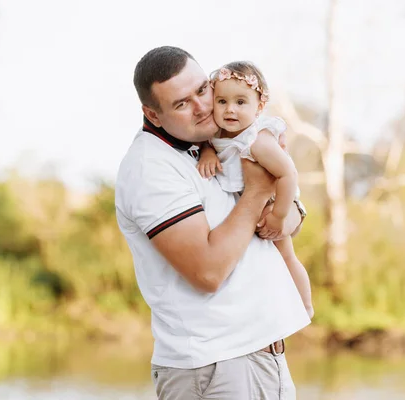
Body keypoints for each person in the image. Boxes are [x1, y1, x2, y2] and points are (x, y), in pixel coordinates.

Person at [115, 46, 310, 399]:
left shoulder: (220, 140)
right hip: (217, 369)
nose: (204, 106)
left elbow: (286, 220)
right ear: (152, 114)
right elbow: (208, 272)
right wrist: (258, 192)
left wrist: (285, 208)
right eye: (181, 103)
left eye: (203, 89)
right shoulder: (152, 168)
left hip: (256, 361)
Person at [196, 61, 313, 318]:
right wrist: (206, 152)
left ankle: (305, 307)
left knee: (286, 256)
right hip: (247, 203)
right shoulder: (218, 134)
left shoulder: (257, 139)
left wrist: (279, 215)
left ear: (259, 107)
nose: (230, 110)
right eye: (222, 101)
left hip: (274, 199)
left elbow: (287, 174)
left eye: (240, 102)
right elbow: (206, 142)